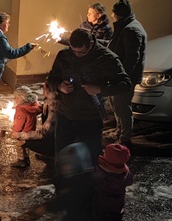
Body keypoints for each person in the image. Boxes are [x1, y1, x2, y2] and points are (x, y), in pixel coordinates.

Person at [46, 28, 131, 167]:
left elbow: (125, 84)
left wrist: (99, 89)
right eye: (73, 51)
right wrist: (59, 86)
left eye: (81, 52)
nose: (77, 55)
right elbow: (51, 78)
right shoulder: (64, 55)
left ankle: (90, 179)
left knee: (92, 159)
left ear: (91, 44)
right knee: (62, 158)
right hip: (65, 115)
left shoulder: (107, 58)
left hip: (90, 117)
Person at [0, 12, 36, 128]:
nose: (9, 26)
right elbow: (11, 53)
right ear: (2, 24)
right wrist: (28, 47)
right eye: (8, 23)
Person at [106, 0, 147, 148]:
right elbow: (114, 46)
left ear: (118, 14)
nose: (111, 15)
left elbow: (132, 59)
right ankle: (119, 131)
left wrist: (122, 78)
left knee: (123, 107)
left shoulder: (131, 30)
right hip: (117, 76)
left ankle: (125, 139)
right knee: (116, 104)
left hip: (124, 78)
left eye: (113, 13)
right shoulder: (125, 27)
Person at [92, 143, 133, 221]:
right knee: (117, 218)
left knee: (102, 220)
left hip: (103, 202)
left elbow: (93, 182)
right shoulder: (126, 172)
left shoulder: (100, 171)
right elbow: (130, 182)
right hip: (118, 202)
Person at [10, 88, 43, 168]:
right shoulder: (33, 106)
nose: (15, 99)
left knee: (20, 146)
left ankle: (21, 161)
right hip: (30, 131)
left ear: (22, 97)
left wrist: (15, 131)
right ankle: (26, 160)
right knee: (26, 145)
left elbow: (19, 122)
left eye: (16, 97)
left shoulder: (21, 108)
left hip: (22, 133)